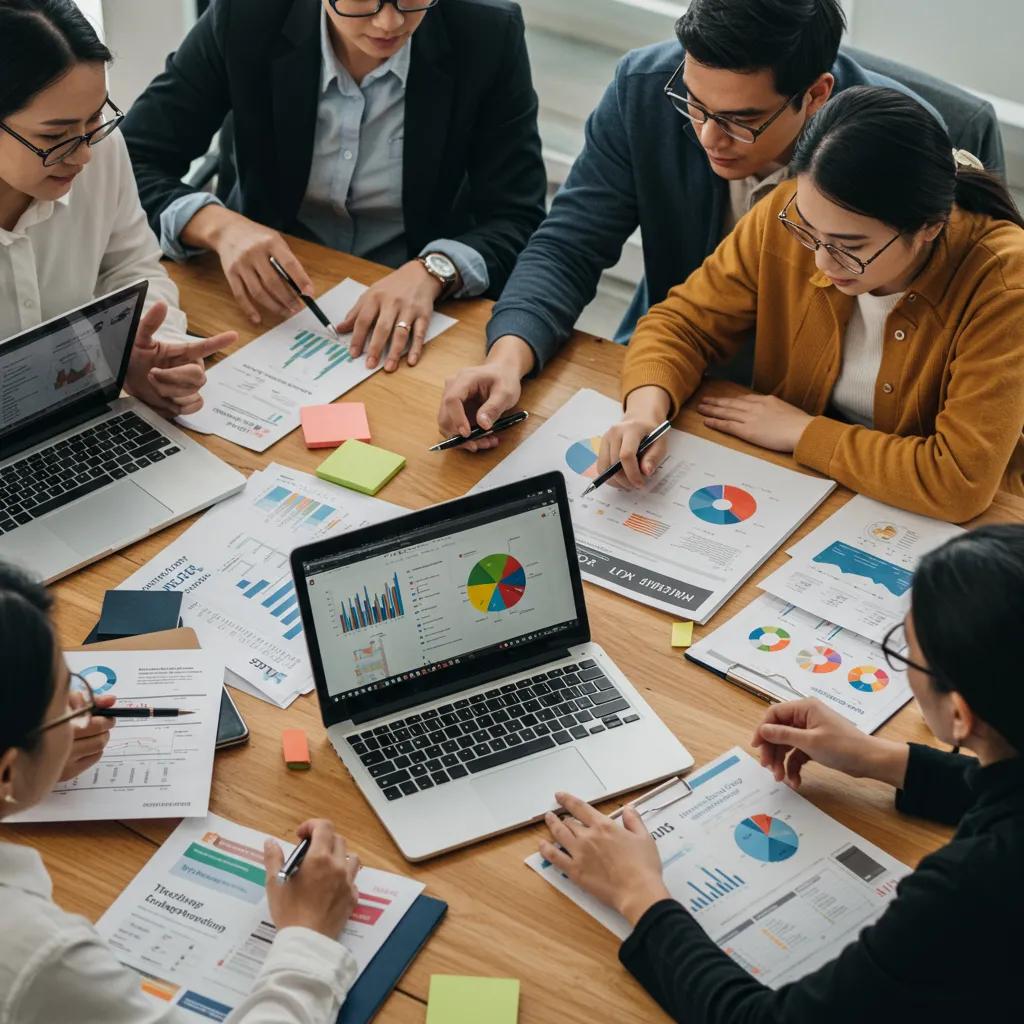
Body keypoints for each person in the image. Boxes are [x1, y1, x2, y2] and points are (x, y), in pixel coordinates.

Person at [436, 0, 1003, 450]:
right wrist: (507, 359)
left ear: (816, 94)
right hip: (680, 371)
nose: (707, 136)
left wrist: (808, 431)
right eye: (695, 103)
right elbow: (569, 246)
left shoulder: (893, 145)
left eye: (742, 120)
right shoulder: (644, 90)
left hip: (816, 411)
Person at [540, 523, 1023, 1021]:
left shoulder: (966, 887)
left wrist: (637, 892)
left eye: (907, 653)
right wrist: (878, 758)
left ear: (960, 717)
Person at [597, 87, 1024, 522]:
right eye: (809, 231)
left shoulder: (1005, 284)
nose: (820, 260)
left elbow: (957, 480)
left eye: (850, 246)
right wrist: (646, 413)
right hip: (806, 495)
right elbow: (682, 325)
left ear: (929, 228)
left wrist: (802, 431)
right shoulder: (791, 211)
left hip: (945, 529)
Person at [0, 561, 363, 1023]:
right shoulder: (44, 959)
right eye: (61, 696)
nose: (81, 703)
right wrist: (308, 937)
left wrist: (38, 766)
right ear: (7, 771)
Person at [123, 0, 547, 374]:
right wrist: (218, 225)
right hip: (270, 297)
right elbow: (131, 160)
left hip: (419, 306)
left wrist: (435, 269)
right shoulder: (248, 12)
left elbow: (518, 216)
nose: (389, 21)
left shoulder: (488, 33)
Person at [0, 0, 233, 419]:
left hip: (82, 417)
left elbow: (131, 269)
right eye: (56, 134)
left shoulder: (101, 150)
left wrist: (143, 351)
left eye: (94, 119)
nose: (85, 154)